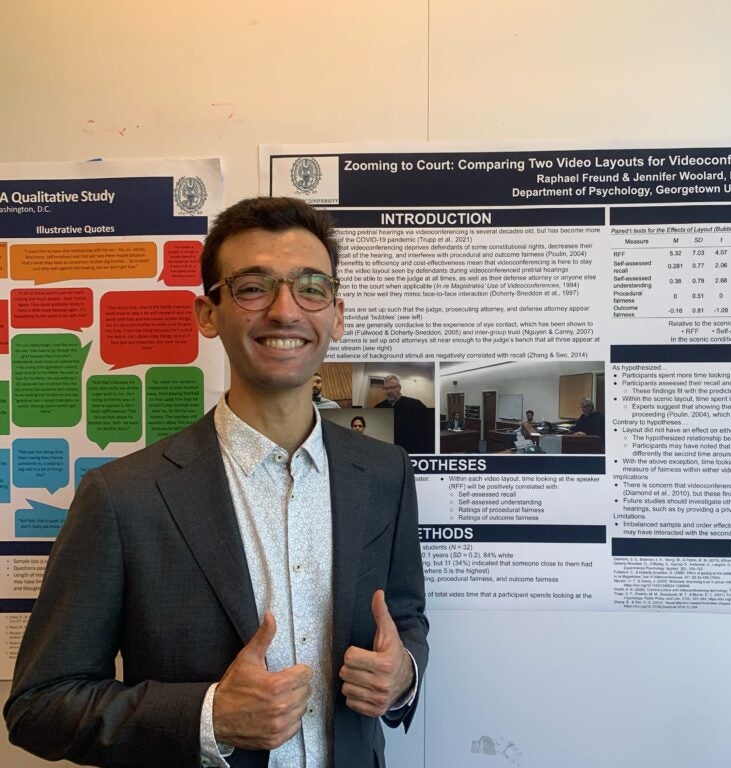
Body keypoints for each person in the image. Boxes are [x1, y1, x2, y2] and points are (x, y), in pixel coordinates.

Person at [4, 197, 428, 768]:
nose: (285, 311)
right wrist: (210, 716)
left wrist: (403, 676)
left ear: (337, 314)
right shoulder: (122, 496)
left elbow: (405, 618)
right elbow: (40, 705)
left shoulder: (385, 473)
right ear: (209, 313)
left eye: (311, 287)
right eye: (254, 287)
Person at [374, 375, 431, 453]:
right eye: (386, 388)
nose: (389, 391)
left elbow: (426, 432)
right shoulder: (378, 408)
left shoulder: (416, 405)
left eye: (392, 387)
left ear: (399, 387)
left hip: (410, 451)